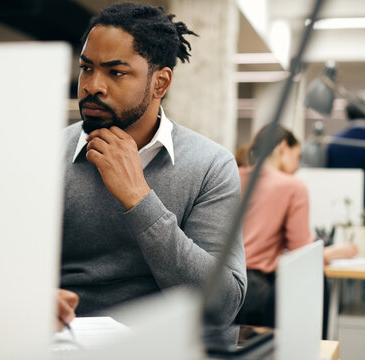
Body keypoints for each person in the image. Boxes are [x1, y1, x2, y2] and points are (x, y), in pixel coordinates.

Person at [56, 2, 247, 329]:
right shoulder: (47, 154)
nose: (92, 86)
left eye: (116, 72)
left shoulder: (210, 166)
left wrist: (139, 199)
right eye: (87, 68)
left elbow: (222, 305)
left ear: (160, 83)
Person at [236, 124, 357, 335]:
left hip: (217, 288)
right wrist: (337, 252)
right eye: (297, 156)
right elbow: (302, 254)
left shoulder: (232, 175)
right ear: (283, 147)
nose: (298, 166)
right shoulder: (292, 186)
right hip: (255, 293)